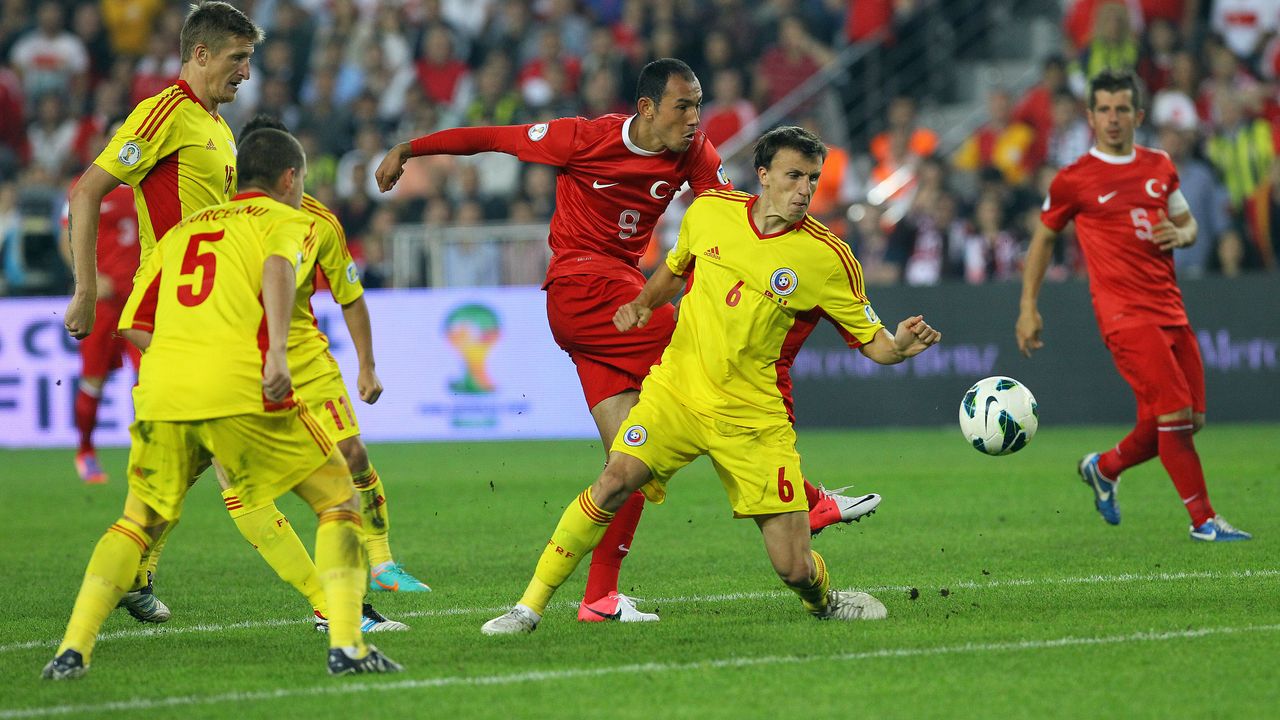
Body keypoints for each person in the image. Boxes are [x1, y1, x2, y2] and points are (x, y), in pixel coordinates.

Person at [375, 58, 881, 623]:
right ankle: (806, 501)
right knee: (715, 359)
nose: (695, 118)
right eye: (683, 107)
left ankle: (599, 598)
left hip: (608, 304)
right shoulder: (582, 138)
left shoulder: (693, 152)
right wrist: (410, 148)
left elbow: (731, 220)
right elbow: (494, 137)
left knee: (627, 465)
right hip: (588, 289)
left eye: (698, 105)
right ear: (647, 108)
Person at [480, 126, 942, 634]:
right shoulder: (710, 212)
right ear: (763, 175)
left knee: (793, 567)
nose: (805, 190)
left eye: (812, 179)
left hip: (751, 419)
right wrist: (643, 302)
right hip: (677, 393)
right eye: (794, 176)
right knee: (614, 480)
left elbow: (875, 343)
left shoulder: (829, 258)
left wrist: (899, 347)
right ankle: (527, 609)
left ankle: (823, 600)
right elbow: (674, 270)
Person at [42, 128, 402, 680]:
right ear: (289, 178)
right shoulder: (284, 220)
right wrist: (273, 354)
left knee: (137, 520)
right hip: (236, 385)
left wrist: (183, 360)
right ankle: (348, 644)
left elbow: (132, 323)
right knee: (337, 497)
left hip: (163, 390)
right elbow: (278, 269)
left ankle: (72, 650)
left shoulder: (183, 230)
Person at [1016, 70, 1252, 542]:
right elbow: (1043, 239)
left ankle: (1104, 467)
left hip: (1170, 308)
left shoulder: (1159, 166)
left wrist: (1180, 233)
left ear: (1138, 115)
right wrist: (1028, 306)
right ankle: (1204, 520)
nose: (1113, 118)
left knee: (1186, 420)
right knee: (1175, 413)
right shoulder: (1074, 179)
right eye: (1104, 109)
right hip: (1123, 314)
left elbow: (1189, 225)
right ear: (1090, 117)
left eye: (1121, 109)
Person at [63, 1, 257, 342]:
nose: (246, 73)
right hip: (173, 300)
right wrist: (86, 292)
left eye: (248, 59)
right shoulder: (166, 112)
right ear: (201, 55)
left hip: (213, 299)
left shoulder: (221, 127)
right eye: (237, 58)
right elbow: (85, 192)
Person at [56, 119, 141, 484]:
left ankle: (148, 455)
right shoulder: (88, 184)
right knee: (94, 379)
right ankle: (86, 452)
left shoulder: (146, 182)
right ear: (106, 141)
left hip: (140, 302)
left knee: (150, 381)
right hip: (103, 303)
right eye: (117, 135)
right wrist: (87, 279)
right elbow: (66, 238)